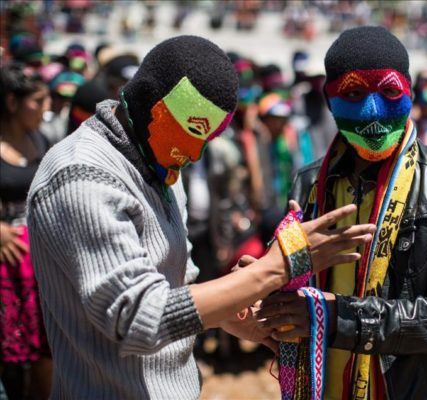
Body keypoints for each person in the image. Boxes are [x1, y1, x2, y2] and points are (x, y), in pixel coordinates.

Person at [26, 35, 376, 399]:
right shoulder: (81, 176)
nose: (195, 152)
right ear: (152, 106)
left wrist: (234, 311)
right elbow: (137, 319)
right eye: (193, 130)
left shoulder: (157, 162)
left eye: (208, 138)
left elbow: (174, 286)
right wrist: (274, 268)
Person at [258, 26, 427, 400]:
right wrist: (264, 287)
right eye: (352, 93)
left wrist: (338, 318)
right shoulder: (308, 185)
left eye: (389, 92)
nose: (372, 112)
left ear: (410, 93)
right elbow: (295, 290)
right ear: (329, 100)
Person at [0, 63, 52, 400]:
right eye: (37, 101)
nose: (45, 110)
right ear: (11, 103)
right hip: (5, 269)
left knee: (46, 357)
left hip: (40, 267)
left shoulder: (41, 140)